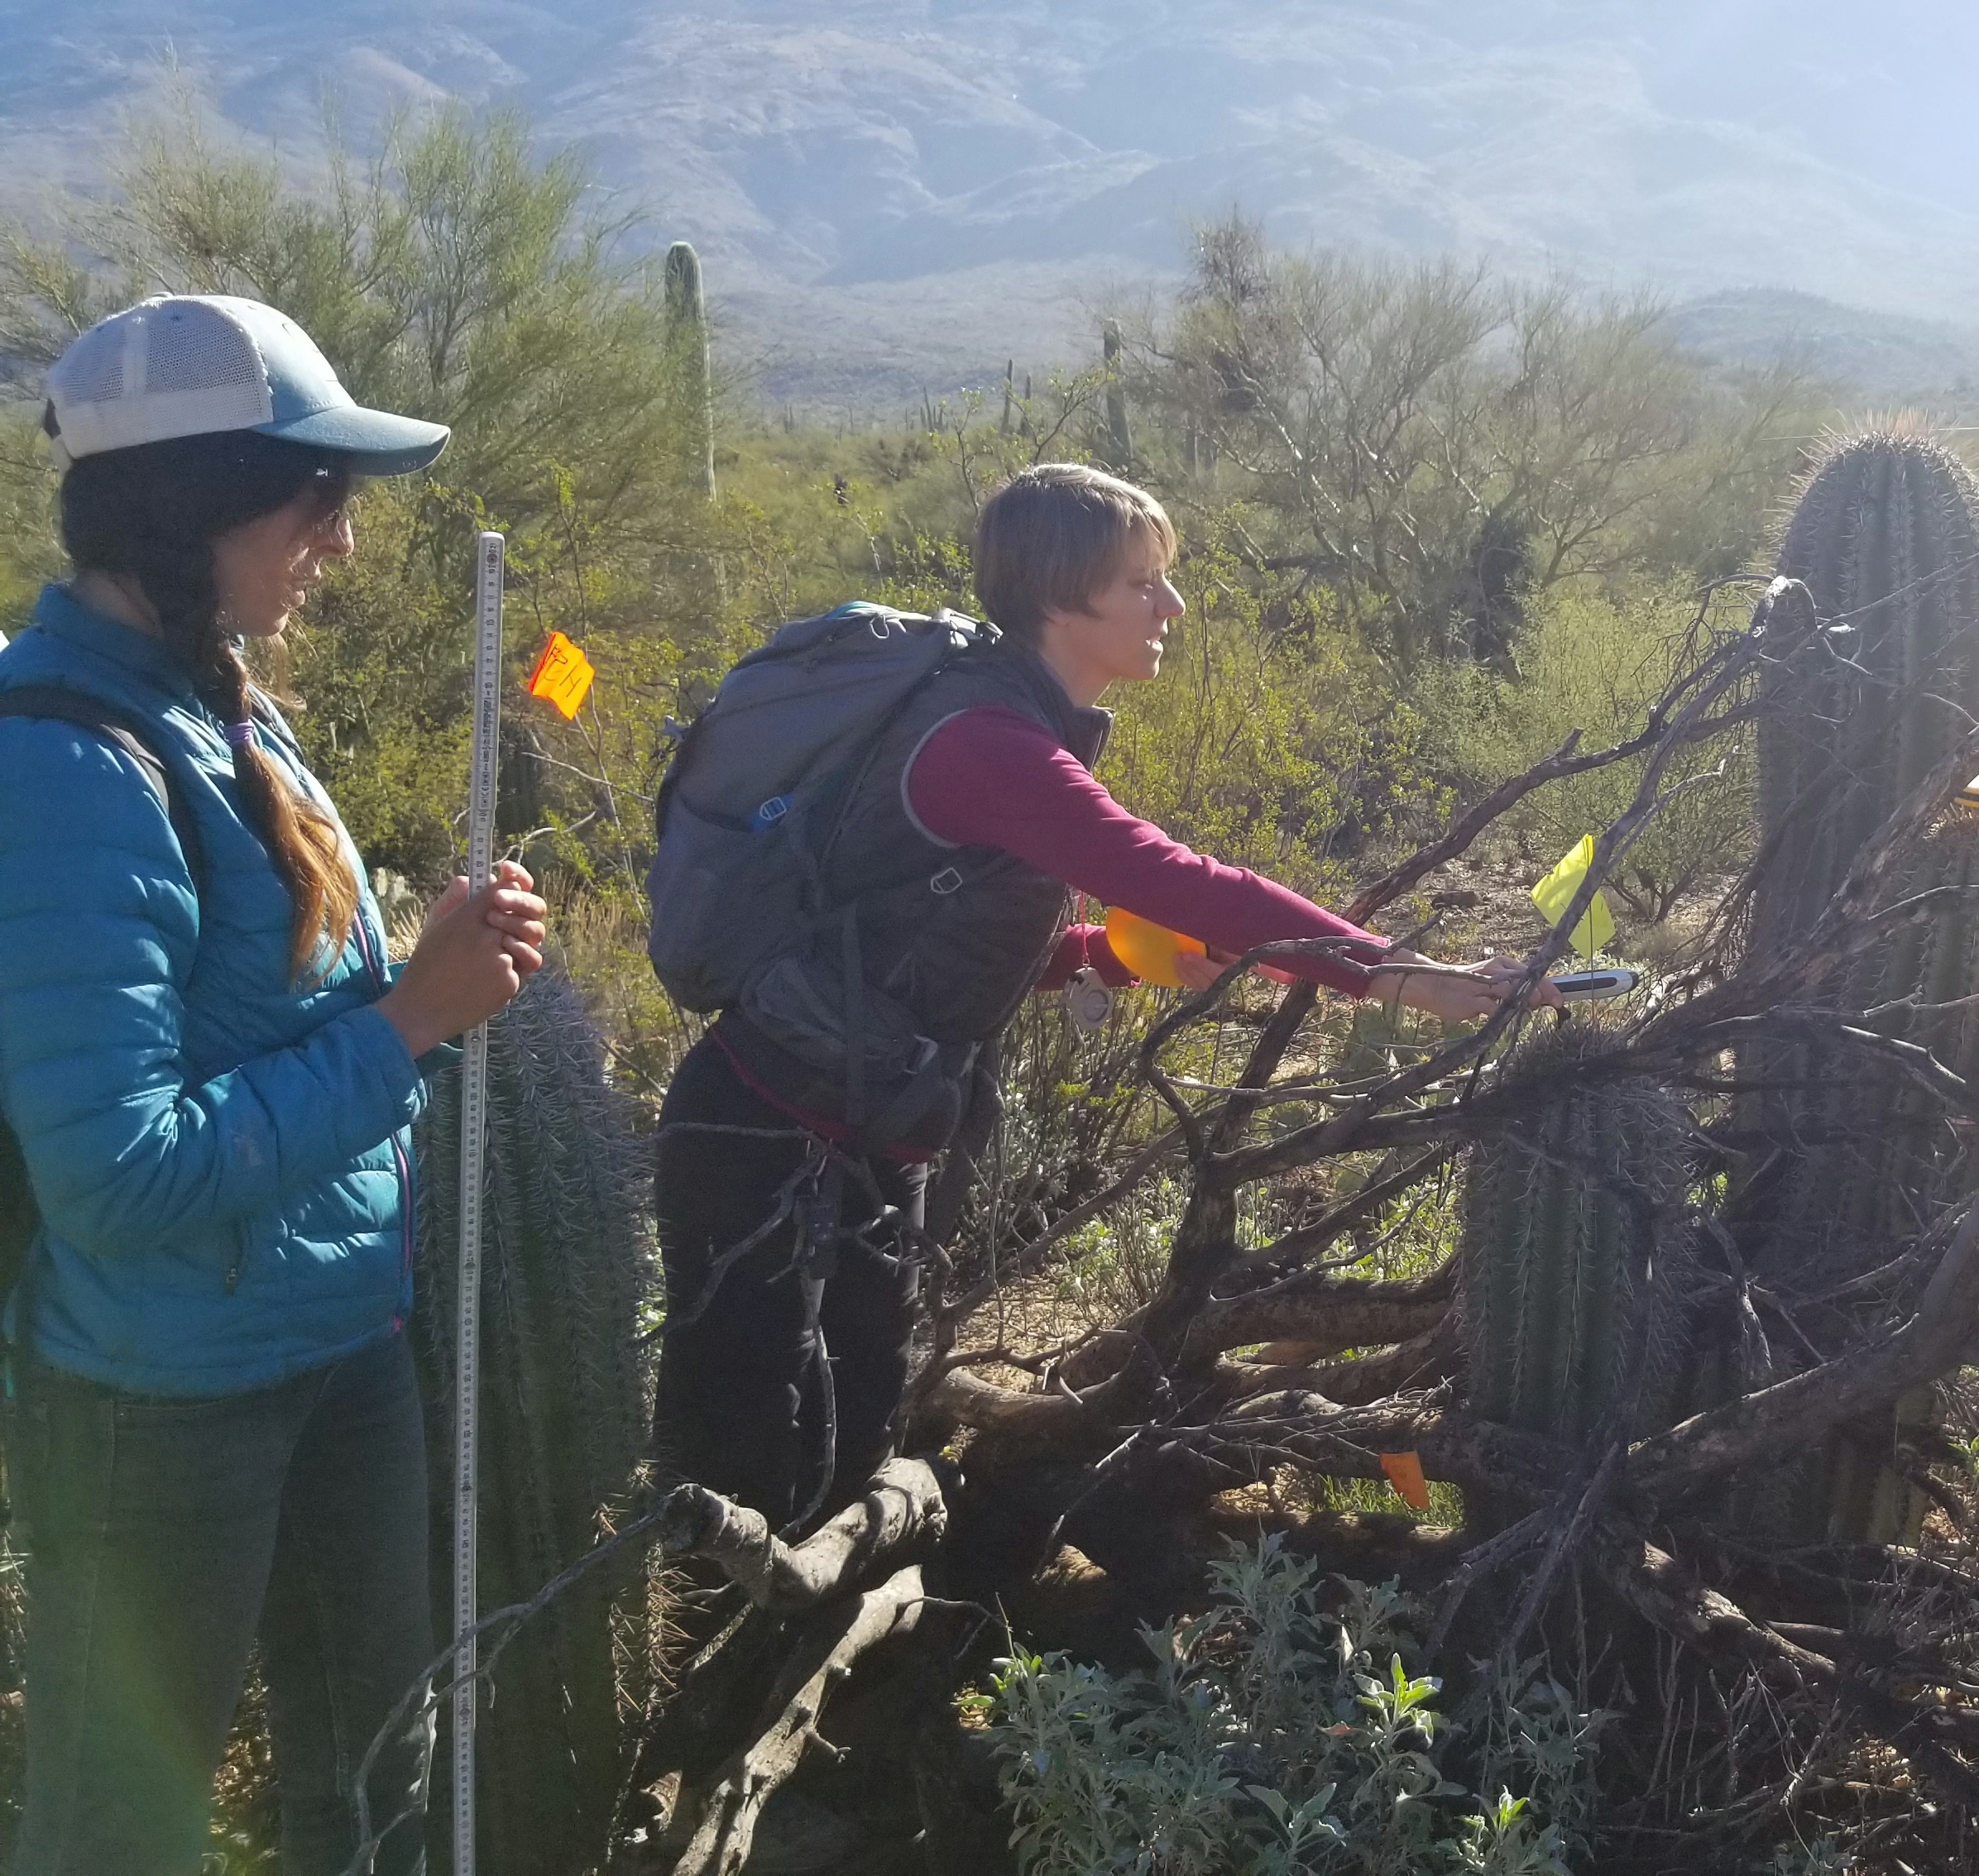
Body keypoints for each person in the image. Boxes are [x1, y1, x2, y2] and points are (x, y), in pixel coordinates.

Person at [651, 463, 1531, 1529]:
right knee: (744, 1448)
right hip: (768, 1134)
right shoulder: (988, 742)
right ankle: (710, 1668)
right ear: (1062, 596)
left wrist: (1099, 959)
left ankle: (811, 1641)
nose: (1172, 607)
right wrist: (1403, 977)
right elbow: (1181, 879)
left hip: (865, 1125)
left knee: (855, 1417)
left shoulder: (1004, 719)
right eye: (1143, 583)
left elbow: (912, 929)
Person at [0, 295, 549, 1874]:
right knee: (125, 1821)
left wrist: (414, 976)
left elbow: (264, 1024)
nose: (345, 544)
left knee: (375, 1776)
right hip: (155, 1401)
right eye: (318, 501)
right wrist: (409, 1029)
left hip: (331, 1346)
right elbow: (117, 1176)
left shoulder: (220, 708)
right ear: (193, 504)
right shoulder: (65, 766)